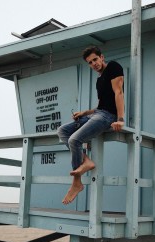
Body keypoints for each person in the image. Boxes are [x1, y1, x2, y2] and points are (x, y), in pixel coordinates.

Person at [57, 46, 125, 205]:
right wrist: (85, 113)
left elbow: (118, 93)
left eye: (95, 59)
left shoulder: (114, 67)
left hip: (108, 117)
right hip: (97, 115)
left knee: (74, 140)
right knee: (63, 131)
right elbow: (102, 105)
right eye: (90, 62)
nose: (94, 64)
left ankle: (76, 182)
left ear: (102, 57)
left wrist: (120, 119)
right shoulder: (99, 80)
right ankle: (86, 161)